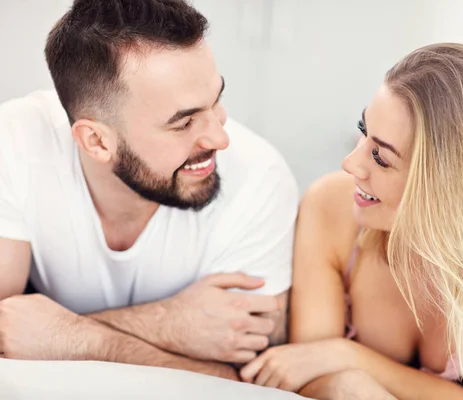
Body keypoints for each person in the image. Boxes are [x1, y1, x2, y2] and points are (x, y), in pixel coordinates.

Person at [240, 43, 463, 399]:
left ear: (451, 186)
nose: (350, 164)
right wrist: (349, 378)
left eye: (380, 157)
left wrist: (349, 357)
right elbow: (310, 373)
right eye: (363, 130)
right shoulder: (329, 207)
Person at [0, 0, 298, 381]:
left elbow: (247, 381)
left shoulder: (259, 178)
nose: (220, 137)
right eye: (184, 123)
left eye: (216, 100)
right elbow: (7, 332)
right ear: (95, 141)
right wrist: (165, 324)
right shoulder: (17, 138)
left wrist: (73, 337)